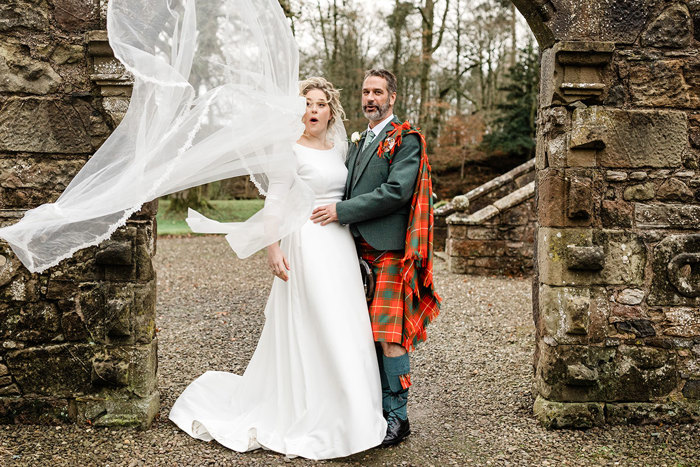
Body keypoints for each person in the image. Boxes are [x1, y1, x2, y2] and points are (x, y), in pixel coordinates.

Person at [169, 77, 387, 460]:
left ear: (331, 111)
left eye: (321, 104)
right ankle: (315, 410)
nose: (314, 110)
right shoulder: (290, 151)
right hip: (305, 243)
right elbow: (275, 202)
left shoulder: (340, 150)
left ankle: (352, 409)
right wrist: (273, 249)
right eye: (307, 104)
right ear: (298, 112)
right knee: (319, 320)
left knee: (345, 319)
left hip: (339, 245)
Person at [311, 69, 441, 447]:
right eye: (366, 91)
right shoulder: (357, 142)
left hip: (388, 251)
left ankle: (398, 418)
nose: (370, 98)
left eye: (378, 92)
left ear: (392, 98)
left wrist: (342, 210)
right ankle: (372, 409)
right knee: (360, 336)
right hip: (352, 251)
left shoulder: (406, 139)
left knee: (389, 336)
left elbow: (397, 191)